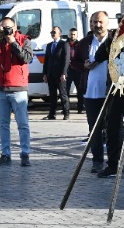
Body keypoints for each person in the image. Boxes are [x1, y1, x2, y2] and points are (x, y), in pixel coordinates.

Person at [0, 16, 33, 165]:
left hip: (18, 88)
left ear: (15, 28)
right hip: (0, 87)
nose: (6, 30)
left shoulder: (24, 39)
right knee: (3, 124)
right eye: (3, 27)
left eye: (8, 27)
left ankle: (25, 154)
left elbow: (26, 58)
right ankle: (5, 154)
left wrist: (13, 42)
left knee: (22, 124)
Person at [77, 11, 111, 173]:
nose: (96, 25)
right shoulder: (84, 43)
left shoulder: (114, 41)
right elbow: (74, 63)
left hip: (110, 92)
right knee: (94, 129)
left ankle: (116, 160)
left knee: (113, 128)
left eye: (99, 22)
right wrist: (83, 66)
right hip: (90, 93)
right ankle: (97, 161)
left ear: (107, 23)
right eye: (93, 22)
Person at [43, 25, 70, 120]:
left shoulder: (64, 44)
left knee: (63, 94)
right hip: (50, 74)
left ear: (59, 33)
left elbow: (66, 60)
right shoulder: (49, 45)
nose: (52, 34)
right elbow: (46, 60)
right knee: (52, 95)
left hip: (60, 74)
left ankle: (66, 113)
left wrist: (64, 73)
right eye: (51, 32)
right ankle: (52, 114)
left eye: (54, 32)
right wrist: (45, 74)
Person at [65, 28, 87, 113]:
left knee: (80, 90)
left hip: (78, 70)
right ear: (68, 35)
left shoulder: (80, 44)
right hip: (68, 70)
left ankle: (80, 108)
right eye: (71, 34)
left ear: (77, 35)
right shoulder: (65, 44)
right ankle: (66, 109)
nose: (72, 36)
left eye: (74, 34)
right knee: (66, 90)